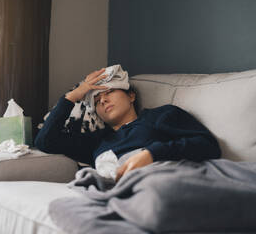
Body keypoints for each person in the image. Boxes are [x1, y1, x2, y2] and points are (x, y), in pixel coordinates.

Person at [34, 68, 221, 182]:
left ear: (131, 96)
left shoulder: (160, 116)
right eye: (97, 101)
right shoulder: (98, 141)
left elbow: (208, 146)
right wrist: (75, 95)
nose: (103, 101)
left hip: (164, 179)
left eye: (109, 92)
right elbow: (45, 141)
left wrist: (152, 154)